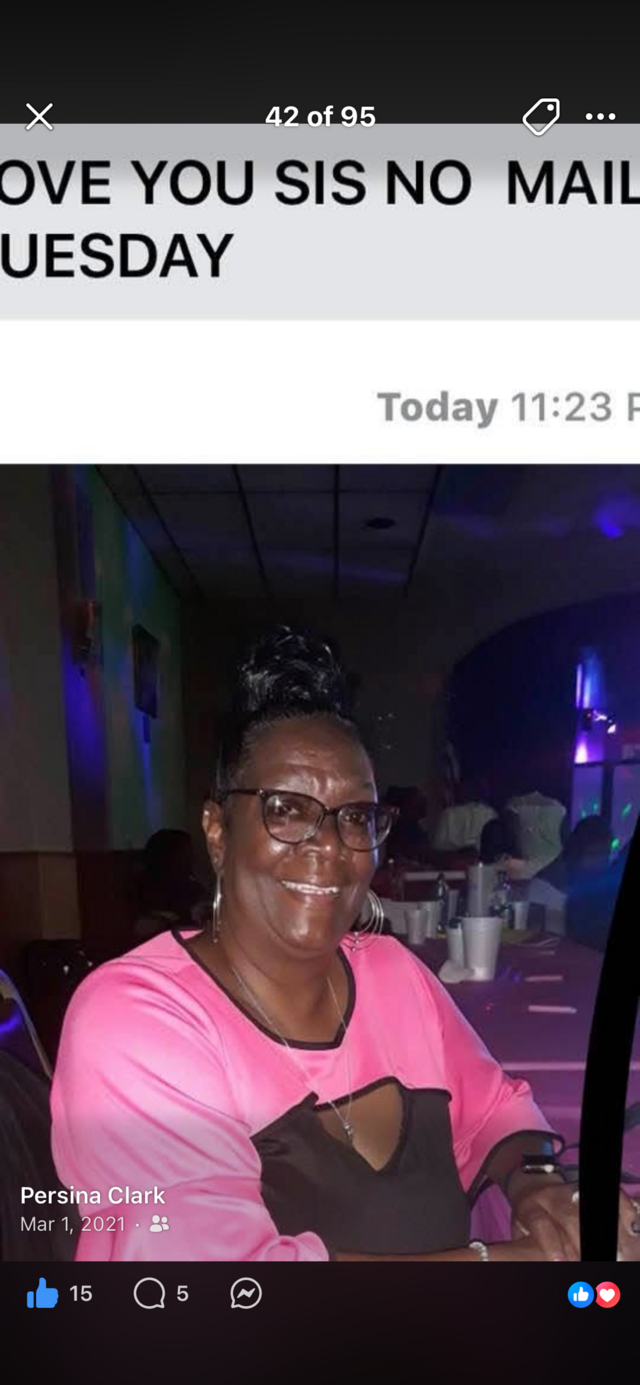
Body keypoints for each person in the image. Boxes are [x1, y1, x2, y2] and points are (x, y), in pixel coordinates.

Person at [50, 627, 640, 1262]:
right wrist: (531, 1260)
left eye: (356, 816)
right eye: (286, 809)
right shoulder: (135, 1019)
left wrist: (538, 1186)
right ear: (218, 832)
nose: (330, 846)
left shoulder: (391, 973)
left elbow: (494, 1106)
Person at [132, 829, 209, 941]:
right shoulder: (145, 890)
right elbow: (141, 928)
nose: (193, 858)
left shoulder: (194, 887)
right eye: (185, 853)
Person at [432, 778, 497, 854]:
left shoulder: (447, 814)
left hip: (452, 859)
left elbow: (436, 847)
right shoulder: (490, 813)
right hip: (479, 859)